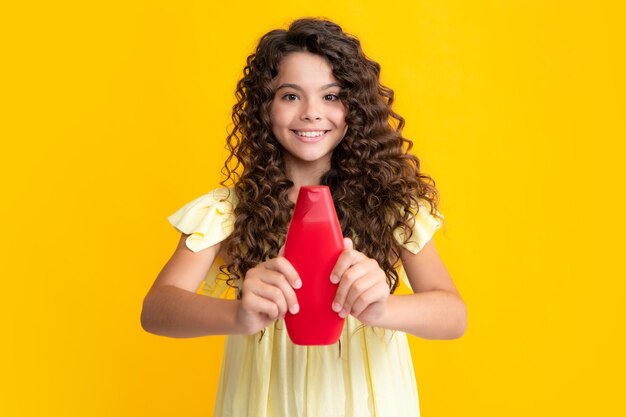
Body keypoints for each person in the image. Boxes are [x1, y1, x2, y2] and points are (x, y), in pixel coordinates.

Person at [141, 17, 467, 417]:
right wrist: (238, 313)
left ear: (355, 107)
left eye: (331, 96)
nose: (312, 113)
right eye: (291, 96)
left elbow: (453, 316)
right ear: (265, 106)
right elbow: (156, 310)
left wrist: (384, 308)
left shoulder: (391, 206)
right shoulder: (230, 211)